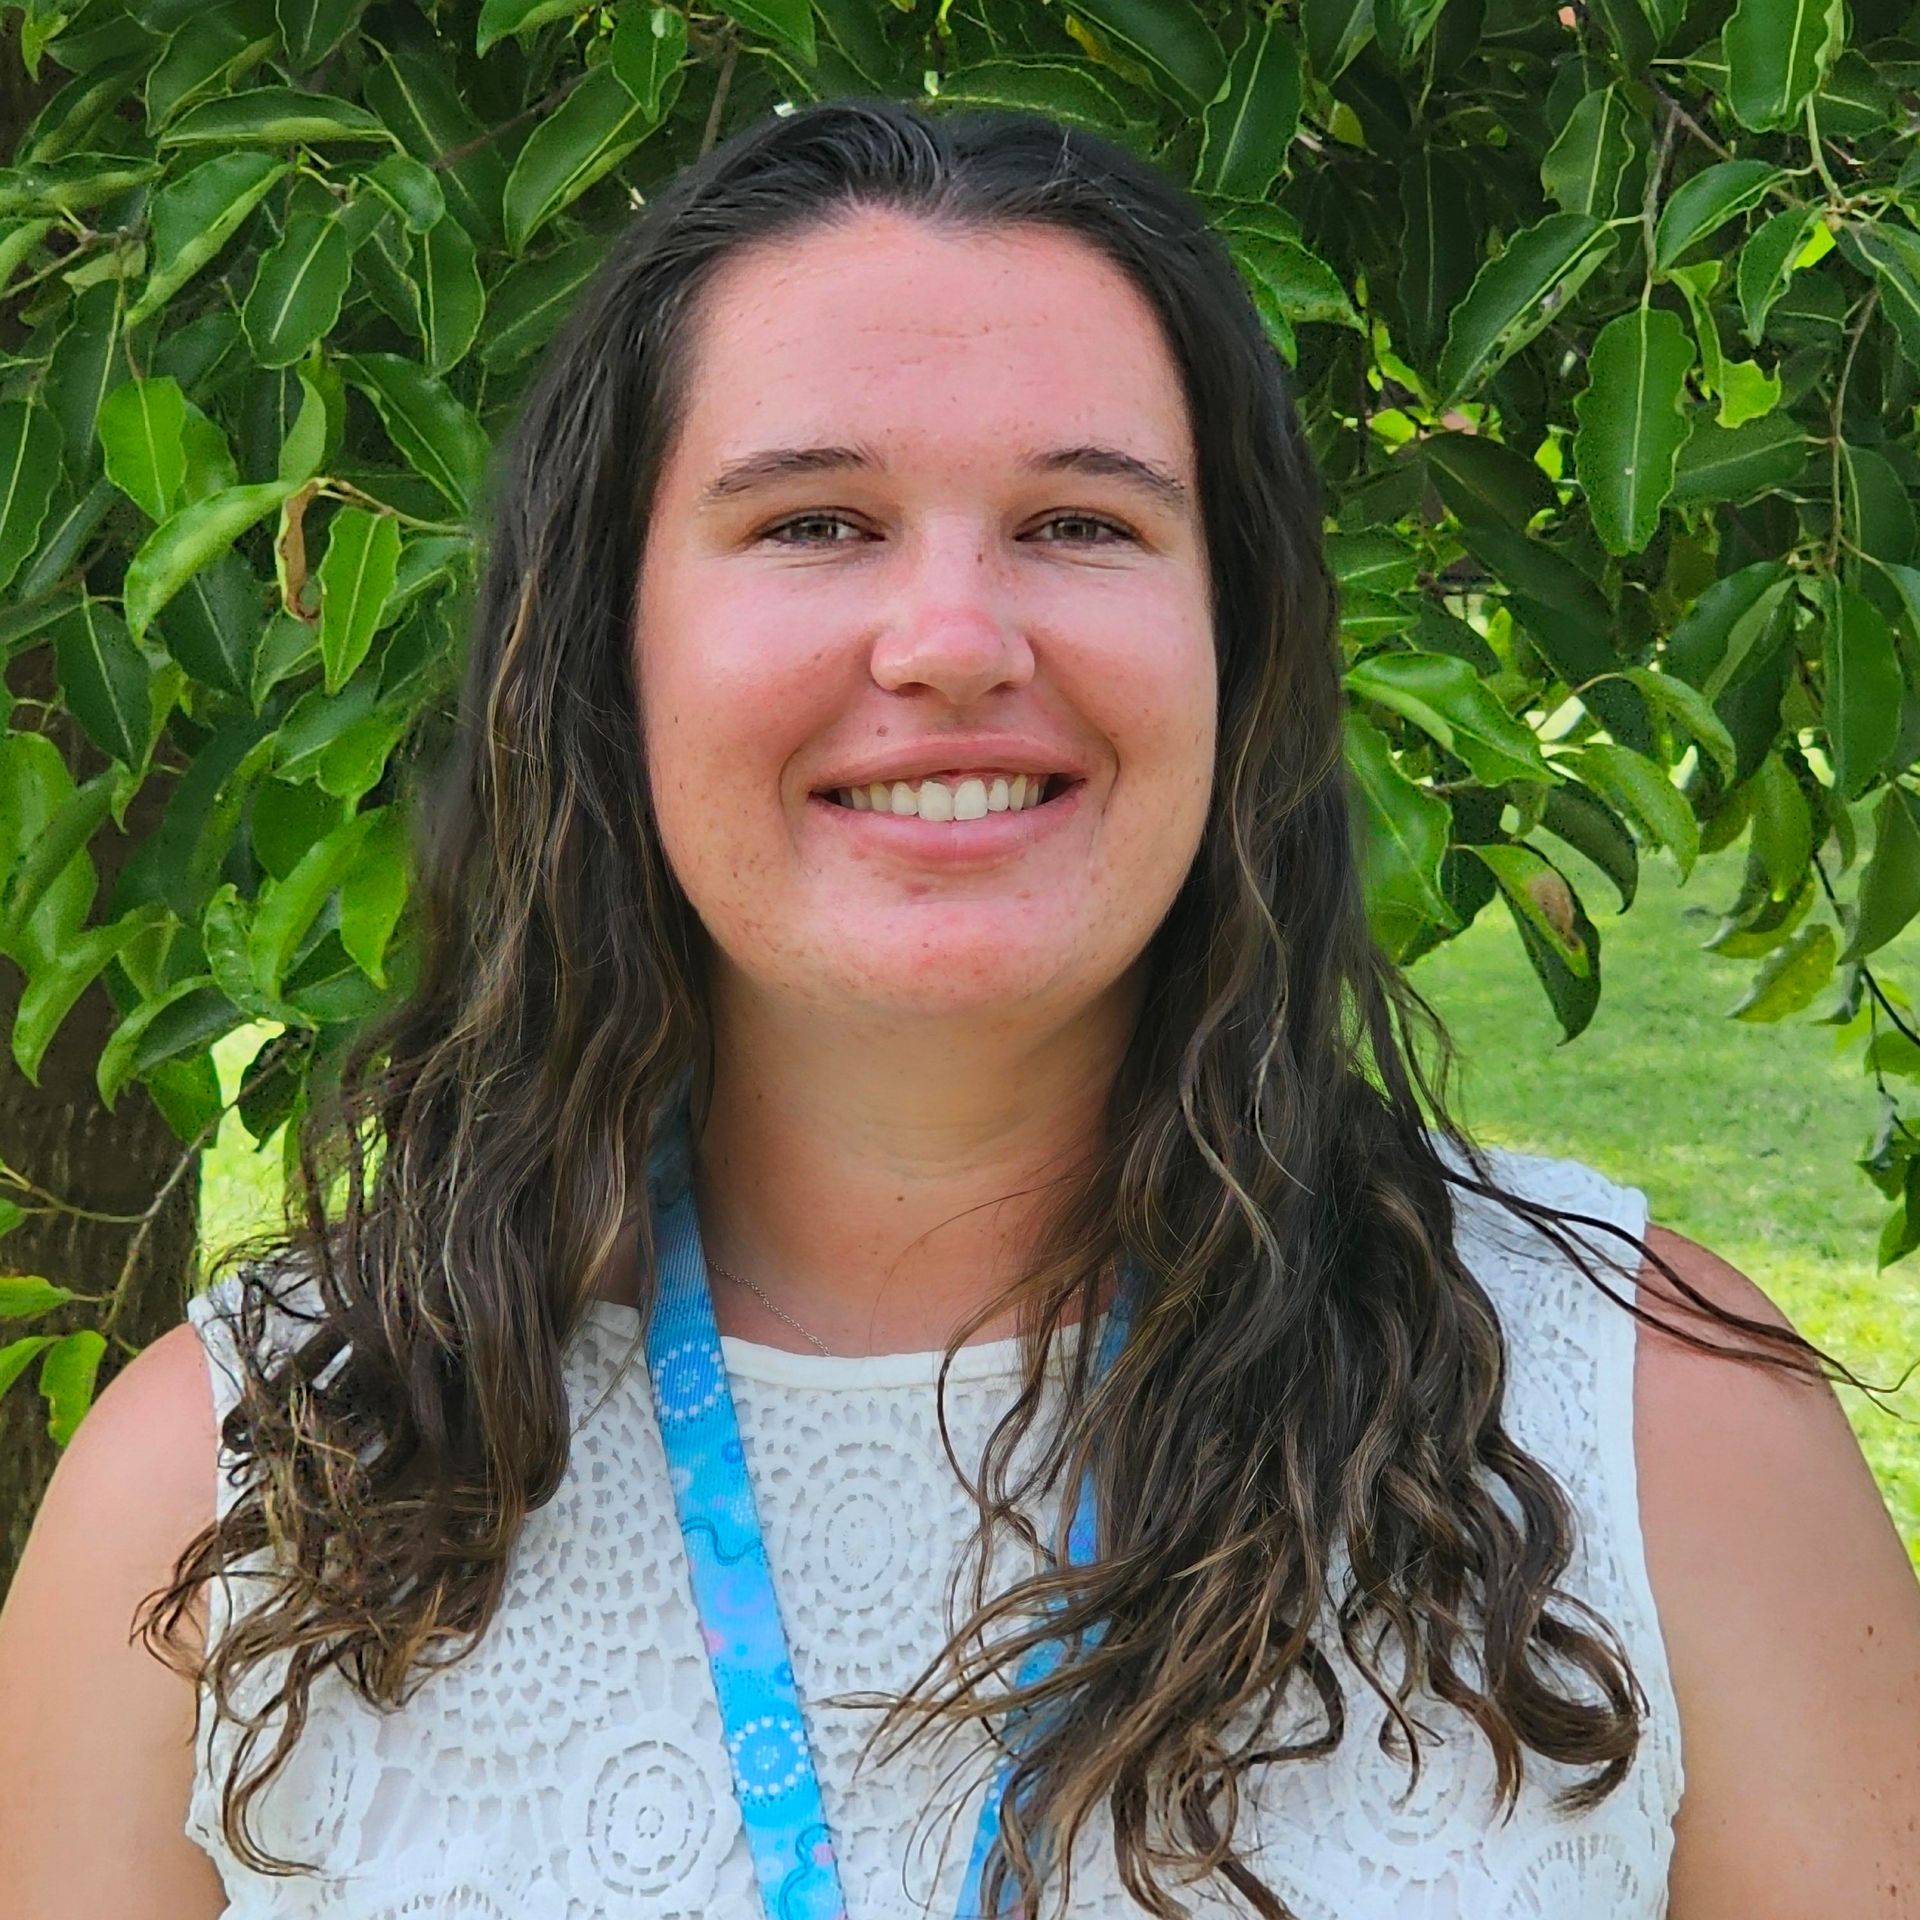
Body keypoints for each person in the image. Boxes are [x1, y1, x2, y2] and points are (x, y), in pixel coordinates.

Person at [2, 95, 1917, 1920]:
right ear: (607, 647)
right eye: (813, 522)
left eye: (1081, 523)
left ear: (1237, 645)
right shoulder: (231, 1503)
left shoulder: (1661, 1441)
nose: (950, 642)